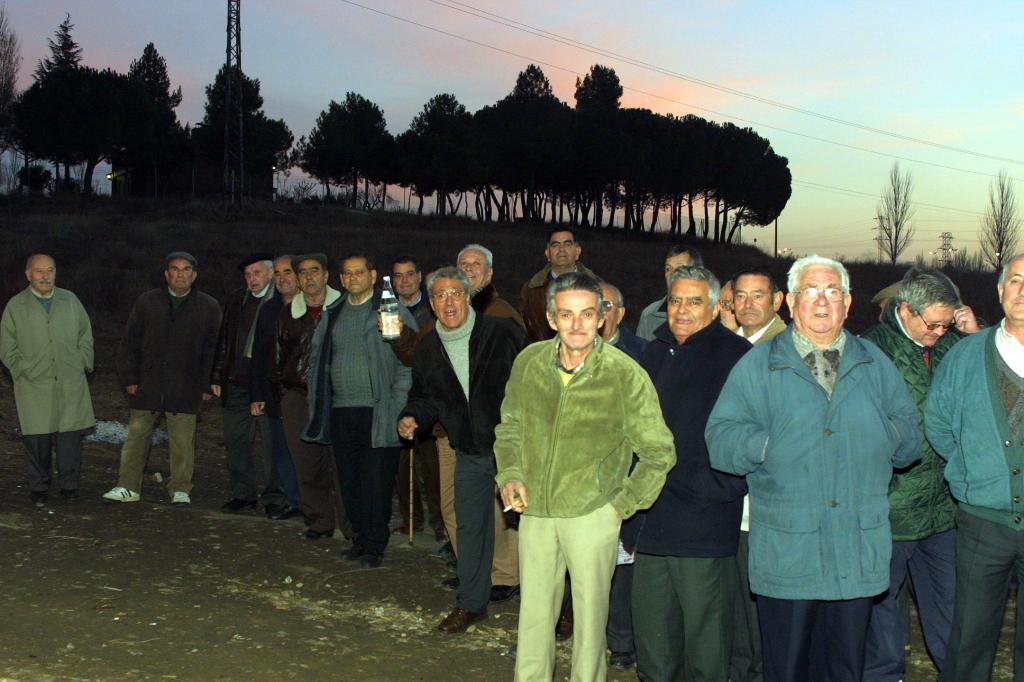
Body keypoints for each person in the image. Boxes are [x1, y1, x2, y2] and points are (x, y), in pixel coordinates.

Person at [706, 254, 919, 682]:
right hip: (790, 551)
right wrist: (768, 446)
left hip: (854, 550)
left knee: (845, 669)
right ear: (791, 302)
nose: (822, 301)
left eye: (832, 291)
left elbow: (909, 438)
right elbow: (721, 439)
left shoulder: (875, 364)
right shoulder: (759, 365)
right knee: (787, 669)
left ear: (848, 301)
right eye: (811, 291)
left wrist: (881, 437)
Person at [495, 272, 676, 681]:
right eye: (567, 314)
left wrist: (621, 505)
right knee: (534, 615)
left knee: (591, 623)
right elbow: (509, 427)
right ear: (551, 317)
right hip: (535, 511)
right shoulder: (529, 362)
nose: (577, 324)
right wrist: (510, 473)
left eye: (587, 314)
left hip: (593, 513)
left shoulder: (624, 373)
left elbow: (659, 451)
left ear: (601, 318)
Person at [628, 265, 750, 681]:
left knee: (705, 642)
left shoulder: (737, 358)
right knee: (654, 641)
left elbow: (749, 435)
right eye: (675, 300)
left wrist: (716, 488)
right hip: (650, 519)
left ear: (715, 307)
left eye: (694, 301)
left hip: (703, 521)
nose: (682, 310)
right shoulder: (651, 353)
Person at [860, 267, 980, 681]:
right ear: (906, 310)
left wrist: (970, 335)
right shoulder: (869, 351)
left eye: (946, 323)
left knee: (950, 607)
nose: (938, 332)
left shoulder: (953, 344)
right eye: (933, 324)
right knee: (883, 613)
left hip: (943, 511)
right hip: (888, 512)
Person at [398, 266, 528, 632]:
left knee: (532, 527)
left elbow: (534, 380)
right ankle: (472, 603)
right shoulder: (427, 348)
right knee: (470, 529)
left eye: (456, 292)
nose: (448, 301)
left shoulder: (501, 333)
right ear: (432, 303)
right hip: (469, 452)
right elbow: (423, 397)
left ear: (469, 296)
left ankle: (555, 606)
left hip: (513, 451)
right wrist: (412, 417)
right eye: (440, 295)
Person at [924, 253, 1024, 682]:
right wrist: (973, 470)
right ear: (1000, 291)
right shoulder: (965, 357)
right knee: (969, 637)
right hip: (983, 523)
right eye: (1016, 280)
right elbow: (939, 424)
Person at [303, 253, 415, 569]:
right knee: (349, 482)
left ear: (373, 275)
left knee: (375, 482)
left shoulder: (390, 309)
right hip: (341, 410)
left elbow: (410, 361)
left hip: (379, 410)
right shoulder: (334, 313)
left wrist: (399, 404)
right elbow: (319, 360)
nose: (353, 278)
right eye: (347, 273)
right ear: (340, 279)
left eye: (359, 272)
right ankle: (360, 539)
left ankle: (375, 546)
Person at [103, 252, 221, 507]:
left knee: (182, 442)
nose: (180, 274)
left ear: (194, 275)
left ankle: (180, 487)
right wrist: (130, 378)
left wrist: (207, 384)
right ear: (166, 274)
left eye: (186, 269)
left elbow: (214, 349)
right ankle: (128, 486)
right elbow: (130, 342)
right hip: (148, 383)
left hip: (186, 385)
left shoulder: (209, 306)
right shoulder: (148, 302)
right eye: (174, 269)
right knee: (136, 436)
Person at [727, 267, 788, 682]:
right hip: (733, 490)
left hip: (769, 494)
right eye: (741, 296)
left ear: (777, 300)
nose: (748, 305)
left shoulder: (783, 349)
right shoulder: (732, 344)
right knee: (739, 592)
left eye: (758, 296)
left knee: (763, 592)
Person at [1, 254, 95, 506]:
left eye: (50, 270)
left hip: (69, 379)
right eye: (39, 271)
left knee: (69, 438)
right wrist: (21, 369)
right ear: (28, 274)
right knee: (38, 439)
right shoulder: (16, 306)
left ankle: (70, 487)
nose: (45, 276)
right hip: (34, 382)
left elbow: (85, 334)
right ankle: (39, 488)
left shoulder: (70, 300)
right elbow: (7, 345)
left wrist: (83, 361)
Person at [268, 253, 344, 539]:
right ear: (298, 279)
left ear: (326, 275)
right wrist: (285, 395)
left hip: (337, 397)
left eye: (315, 271)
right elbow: (276, 359)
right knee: (306, 463)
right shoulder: (288, 315)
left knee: (341, 465)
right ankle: (319, 521)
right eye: (304, 272)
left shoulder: (343, 309)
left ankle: (350, 527)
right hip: (298, 395)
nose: (310, 277)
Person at [211, 253, 290, 518]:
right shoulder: (236, 300)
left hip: (267, 386)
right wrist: (217, 375)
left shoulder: (282, 302)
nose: (252, 279)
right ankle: (243, 494)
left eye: (257, 273)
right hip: (236, 382)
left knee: (271, 444)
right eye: (247, 274)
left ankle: (274, 497)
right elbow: (224, 338)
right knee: (236, 441)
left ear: (270, 274)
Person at [391, 255, 444, 540]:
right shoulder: (387, 309)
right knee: (402, 463)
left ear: (420, 276)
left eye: (409, 275)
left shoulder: (433, 308)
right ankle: (411, 519)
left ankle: (440, 522)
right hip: (399, 394)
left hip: (428, 396)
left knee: (433, 465)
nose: (404, 281)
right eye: (398, 276)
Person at [249, 255, 302, 520]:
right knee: (282, 449)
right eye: (278, 273)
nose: (283, 278)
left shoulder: (313, 307)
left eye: (288, 272)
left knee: (308, 451)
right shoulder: (269, 309)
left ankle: (316, 504)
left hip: (303, 394)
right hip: (273, 393)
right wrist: (257, 393)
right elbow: (259, 353)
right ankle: (294, 501)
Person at [518, 229, 598, 342]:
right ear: (547, 253)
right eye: (555, 245)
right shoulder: (531, 291)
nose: (561, 249)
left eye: (567, 244)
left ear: (577, 252)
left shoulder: (598, 288)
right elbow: (523, 331)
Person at [636, 245, 702, 340]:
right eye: (668, 269)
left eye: (679, 269)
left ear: (697, 273)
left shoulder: (710, 314)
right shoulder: (650, 315)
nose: (671, 274)